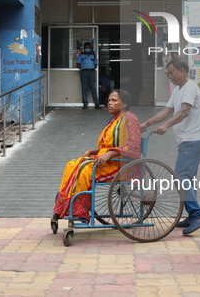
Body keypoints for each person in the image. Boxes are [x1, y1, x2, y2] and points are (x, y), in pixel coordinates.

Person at [140, 57, 200, 235]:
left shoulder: (189, 87)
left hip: (193, 140)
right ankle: (191, 215)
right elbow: (166, 111)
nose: (170, 77)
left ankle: (198, 215)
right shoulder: (178, 90)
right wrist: (147, 123)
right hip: (189, 141)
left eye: (171, 73)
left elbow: (184, 111)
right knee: (188, 180)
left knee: (180, 178)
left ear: (181, 70)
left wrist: (166, 125)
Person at [52, 90, 142, 221]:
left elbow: (132, 145)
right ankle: (63, 207)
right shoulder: (114, 120)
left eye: (114, 100)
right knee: (72, 163)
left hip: (121, 165)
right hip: (107, 161)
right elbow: (106, 147)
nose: (109, 103)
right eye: (109, 100)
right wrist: (90, 152)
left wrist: (109, 154)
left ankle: (80, 212)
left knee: (85, 168)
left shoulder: (129, 118)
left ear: (124, 104)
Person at [76, 42, 100, 109]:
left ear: (90, 48)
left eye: (88, 47)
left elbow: (95, 64)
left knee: (93, 88)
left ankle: (97, 103)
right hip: (84, 72)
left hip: (91, 72)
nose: (87, 49)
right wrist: (84, 67)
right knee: (84, 88)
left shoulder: (93, 55)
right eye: (86, 47)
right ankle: (85, 104)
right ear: (84, 48)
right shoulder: (81, 55)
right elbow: (78, 64)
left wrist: (90, 67)